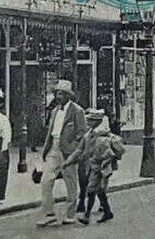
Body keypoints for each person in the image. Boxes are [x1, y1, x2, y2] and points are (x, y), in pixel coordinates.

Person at [35, 79, 86, 227]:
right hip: (54, 148)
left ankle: (70, 214)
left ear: (69, 95)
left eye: (62, 94)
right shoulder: (55, 111)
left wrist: (73, 150)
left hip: (68, 151)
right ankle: (49, 213)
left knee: (71, 183)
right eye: (57, 93)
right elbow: (51, 132)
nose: (58, 96)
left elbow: (81, 133)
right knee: (45, 180)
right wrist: (46, 150)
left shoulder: (77, 111)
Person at [66, 110, 126, 224]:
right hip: (93, 166)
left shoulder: (102, 137)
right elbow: (80, 149)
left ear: (98, 121)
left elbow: (102, 154)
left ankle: (87, 216)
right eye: (88, 119)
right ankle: (107, 211)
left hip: (100, 167)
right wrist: (70, 160)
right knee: (99, 190)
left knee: (91, 189)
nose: (88, 122)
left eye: (91, 120)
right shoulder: (89, 134)